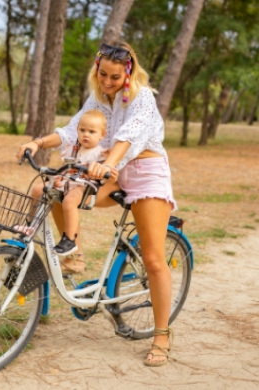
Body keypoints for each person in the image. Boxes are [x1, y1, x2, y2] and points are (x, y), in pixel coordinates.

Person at [17, 41, 177, 367]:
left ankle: (161, 335)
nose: (106, 82)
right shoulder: (99, 97)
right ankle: (72, 254)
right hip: (108, 169)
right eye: (102, 74)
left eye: (114, 77)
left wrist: (107, 163)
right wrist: (37, 142)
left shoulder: (142, 97)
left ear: (128, 72)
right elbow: (73, 131)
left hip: (145, 172)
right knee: (59, 189)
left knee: (153, 257)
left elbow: (129, 137)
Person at [52, 109, 110, 264]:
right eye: (82, 130)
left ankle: (70, 239)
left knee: (69, 202)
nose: (86, 135)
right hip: (69, 182)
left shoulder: (100, 154)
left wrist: (100, 170)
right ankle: (30, 225)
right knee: (41, 190)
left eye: (92, 131)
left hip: (84, 186)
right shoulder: (74, 149)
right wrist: (59, 178)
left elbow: (105, 173)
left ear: (102, 135)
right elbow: (66, 168)